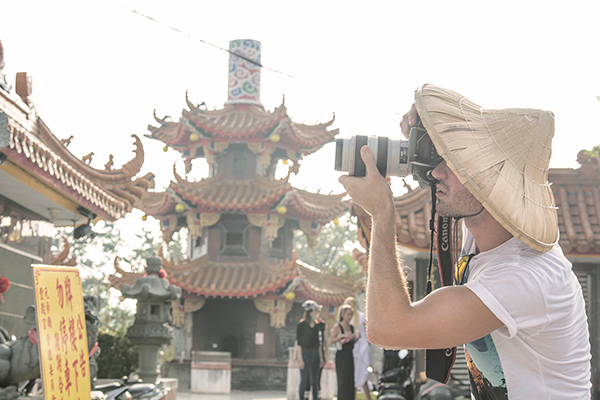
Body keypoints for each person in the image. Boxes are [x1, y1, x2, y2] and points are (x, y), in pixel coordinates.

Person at [339, 84, 592, 398]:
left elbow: (388, 328)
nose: (438, 172)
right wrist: (424, 135)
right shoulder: (487, 229)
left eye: (456, 163)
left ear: (492, 185)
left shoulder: (523, 276)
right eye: (442, 157)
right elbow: (451, 181)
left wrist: (381, 213)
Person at [343, 296, 372, 400]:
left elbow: (368, 330)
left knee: (363, 375)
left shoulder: (361, 316)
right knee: (353, 376)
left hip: (363, 348)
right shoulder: (346, 319)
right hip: (352, 349)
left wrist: (368, 342)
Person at [295, 300, 324, 400]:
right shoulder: (301, 325)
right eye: (315, 311)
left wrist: (321, 357)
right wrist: (300, 359)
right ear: (310, 312)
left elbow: (318, 343)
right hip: (305, 353)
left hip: (315, 353)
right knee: (303, 380)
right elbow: (299, 343)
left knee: (315, 382)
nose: (316, 314)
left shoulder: (317, 326)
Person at [330, 304, 357, 400]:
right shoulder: (338, 327)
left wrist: (354, 338)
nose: (349, 317)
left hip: (349, 356)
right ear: (343, 315)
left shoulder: (352, 327)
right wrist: (342, 336)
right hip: (341, 356)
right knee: (342, 380)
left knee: (350, 379)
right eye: (348, 314)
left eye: (351, 314)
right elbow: (331, 341)